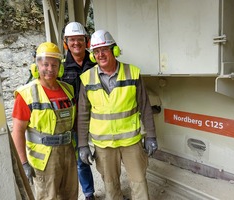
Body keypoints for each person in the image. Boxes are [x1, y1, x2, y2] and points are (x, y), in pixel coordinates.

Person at [77, 30, 158, 200]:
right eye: (96, 52)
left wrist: (151, 136)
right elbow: (83, 115)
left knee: (139, 182)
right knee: (110, 184)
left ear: (114, 50)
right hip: (104, 144)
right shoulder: (86, 78)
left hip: (131, 141)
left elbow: (145, 107)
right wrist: (83, 145)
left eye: (104, 50)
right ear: (92, 56)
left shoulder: (133, 73)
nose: (100, 55)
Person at [11, 42, 78, 200]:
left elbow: (74, 123)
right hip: (45, 159)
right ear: (37, 67)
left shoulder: (68, 90)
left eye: (54, 65)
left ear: (60, 68)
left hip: (68, 152)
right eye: (45, 64)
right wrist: (24, 163)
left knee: (71, 195)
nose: (50, 69)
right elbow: (18, 131)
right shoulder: (26, 94)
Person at [61, 21, 96, 200]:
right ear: (66, 42)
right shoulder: (60, 67)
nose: (76, 43)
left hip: (99, 117)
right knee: (81, 158)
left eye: (80, 39)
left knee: (105, 155)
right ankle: (89, 193)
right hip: (75, 121)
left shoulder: (96, 61)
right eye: (72, 40)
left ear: (86, 41)